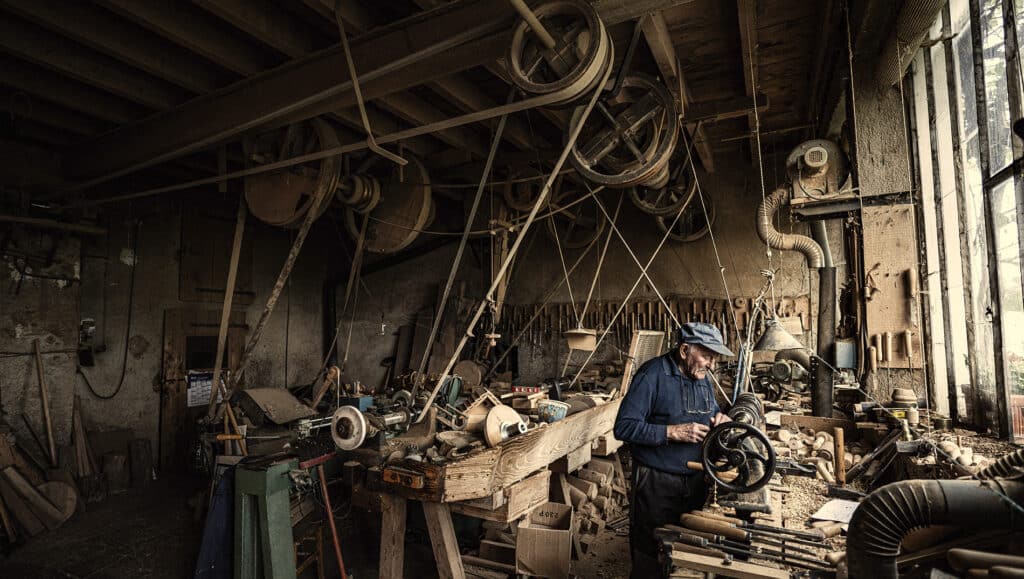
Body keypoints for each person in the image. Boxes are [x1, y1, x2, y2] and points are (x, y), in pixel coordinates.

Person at [613, 322, 734, 578]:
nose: (711, 364)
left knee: (684, 557)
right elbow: (623, 428)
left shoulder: (700, 377)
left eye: (715, 358)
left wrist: (720, 422)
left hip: (695, 482)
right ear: (684, 350)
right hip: (656, 484)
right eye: (707, 356)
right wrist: (671, 432)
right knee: (650, 555)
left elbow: (708, 414)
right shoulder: (651, 375)